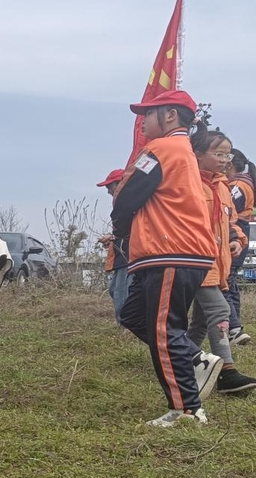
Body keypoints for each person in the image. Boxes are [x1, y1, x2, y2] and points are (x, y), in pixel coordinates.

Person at [111, 90, 218, 427]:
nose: (142, 121)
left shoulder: (161, 148)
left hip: (171, 250)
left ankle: (187, 409)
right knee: (132, 313)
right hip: (180, 251)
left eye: (148, 114)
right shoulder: (182, 149)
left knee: (163, 330)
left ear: (170, 115)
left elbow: (126, 196)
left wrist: (121, 229)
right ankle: (196, 358)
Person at [188, 130, 256, 395]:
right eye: (218, 153)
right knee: (220, 311)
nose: (225, 159)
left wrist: (237, 238)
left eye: (227, 153)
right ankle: (227, 373)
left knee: (199, 323)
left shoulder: (224, 187)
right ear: (198, 154)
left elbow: (231, 222)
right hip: (197, 262)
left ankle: (183, 362)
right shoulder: (189, 183)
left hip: (220, 265)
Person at [225, 149, 254, 346]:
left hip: (235, 231)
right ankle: (235, 327)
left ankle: (233, 327)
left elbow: (225, 209)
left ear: (230, 164)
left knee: (225, 279)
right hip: (240, 230)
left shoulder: (237, 186)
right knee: (231, 279)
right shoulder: (246, 182)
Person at [95, 169, 130, 324]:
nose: (109, 191)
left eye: (110, 187)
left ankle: (125, 327)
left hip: (128, 254)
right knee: (114, 289)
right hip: (120, 255)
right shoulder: (122, 204)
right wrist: (112, 237)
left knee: (121, 293)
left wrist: (114, 237)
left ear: (120, 183)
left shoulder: (130, 202)